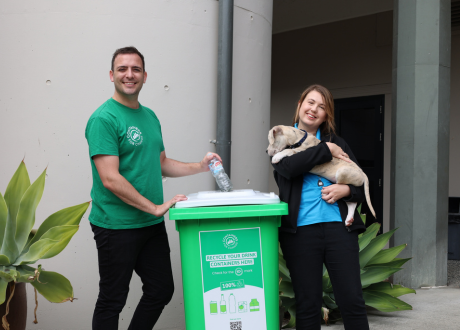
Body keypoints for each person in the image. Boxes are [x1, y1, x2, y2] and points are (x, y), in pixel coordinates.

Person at [85, 46, 221, 330]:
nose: (129, 75)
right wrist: (155, 207)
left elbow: (161, 163)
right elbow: (110, 178)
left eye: (135, 69)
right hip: (116, 226)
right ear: (112, 75)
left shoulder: (150, 117)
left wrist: (201, 165)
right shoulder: (104, 119)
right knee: (113, 300)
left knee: (161, 290)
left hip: (149, 224)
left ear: (145, 76)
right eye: (122, 69)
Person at [271, 84, 369, 329]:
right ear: (300, 105)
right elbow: (288, 168)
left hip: (339, 230)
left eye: (322, 107)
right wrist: (325, 150)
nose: (314, 109)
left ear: (327, 115)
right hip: (300, 233)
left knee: (352, 301)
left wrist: (346, 190)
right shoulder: (282, 137)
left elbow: (361, 181)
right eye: (310, 102)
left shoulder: (338, 142)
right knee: (307, 305)